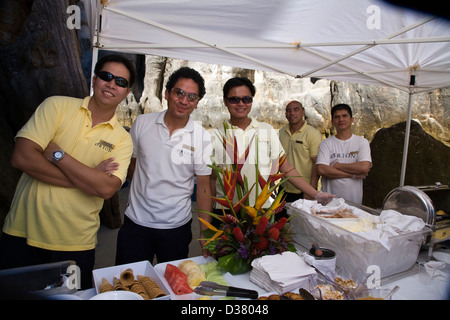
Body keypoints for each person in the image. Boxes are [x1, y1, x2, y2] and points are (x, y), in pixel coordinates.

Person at [0, 54, 135, 289]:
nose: (112, 84)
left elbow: (105, 188)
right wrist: (87, 177)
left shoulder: (122, 140)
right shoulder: (56, 106)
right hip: (21, 232)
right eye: (107, 76)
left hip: (75, 243)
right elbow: (21, 157)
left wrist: (57, 155)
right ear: (94, 79)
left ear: (127, 92)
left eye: (121, 82)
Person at [115, 67, 213, 264]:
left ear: (197, 103)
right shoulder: (142, 123)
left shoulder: (202, 137)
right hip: (136, 222)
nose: (184, 101)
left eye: (192, 97)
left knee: (171, 287)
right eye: (179, 93)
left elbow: (203, 187)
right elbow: (132, 164)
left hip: (176, 227)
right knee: (126, 283)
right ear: (167, 93)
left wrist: (205, 232)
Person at [210, 77, 334, 228]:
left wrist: (316, 194)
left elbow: (286, 168)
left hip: (261, 210)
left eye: (246, 99)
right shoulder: (215, 136)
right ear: (225, 101)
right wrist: (207, 219)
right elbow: (210, 180)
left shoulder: (266, 130)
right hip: (227, 212)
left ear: (251, 101)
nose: (241, 104)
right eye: (234, 99)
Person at [316, 104, 372, 204]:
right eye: (337, 117)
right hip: (329, 201)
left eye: (344, 116)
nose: (341, 119)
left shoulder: (362, 142)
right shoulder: (326, 143)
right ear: (332, 122)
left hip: (354, 201)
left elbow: (364, 168)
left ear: (352, 119)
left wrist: (336, 165)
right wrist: (353, 175)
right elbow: (322, 169)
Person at [278, 100, 322, 207]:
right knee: (280, 222)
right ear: (285, 115)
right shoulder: (281, 132)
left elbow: (317, 165)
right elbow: (277, 160)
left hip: (304, 190)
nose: (292, 113)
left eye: (296, 110)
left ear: (303, 112)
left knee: (301, 223)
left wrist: (310, 190)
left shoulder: (313, 134)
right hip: (284, 188)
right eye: (289, 111)